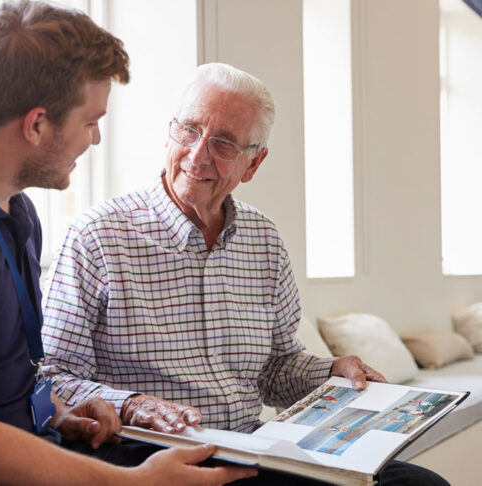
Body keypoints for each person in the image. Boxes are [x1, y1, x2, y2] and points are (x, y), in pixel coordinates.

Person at [41, 63, 449, 485]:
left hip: (251, 447)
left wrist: (331, 371)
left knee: (418, 484)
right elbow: (51, 376)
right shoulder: (96, 236)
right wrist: (130, 404)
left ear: (253, 164)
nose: (198, 155)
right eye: (189, 130)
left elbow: (275, 369)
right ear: (169, 133)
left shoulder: (263, 240)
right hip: (146, 452)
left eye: (223, 144)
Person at [0, 3, 257, 485]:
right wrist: (140, 483)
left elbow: (8, 380)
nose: (95, 139)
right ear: (36, 125)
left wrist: (58, 411)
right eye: (91, 121)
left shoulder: (15, 210)